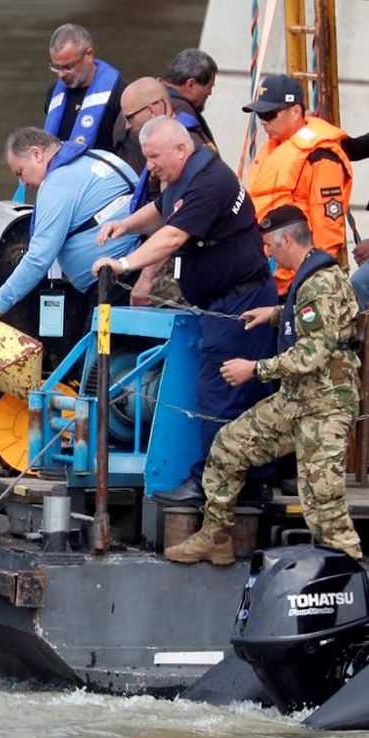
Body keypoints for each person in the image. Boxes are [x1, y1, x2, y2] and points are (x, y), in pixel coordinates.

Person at [93, 116, 278, 503]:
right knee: (236, 392)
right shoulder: (185, 173)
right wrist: (125, 225)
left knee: (220, 394)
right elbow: (162, 211)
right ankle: (250, 480)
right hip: (222, 300)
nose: (149, 167)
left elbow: (173, 235)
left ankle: (212, 483)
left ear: (180, 149)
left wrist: (124, 264)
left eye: (154, 157)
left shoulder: (210, 182)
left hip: (239, 301)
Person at [165, 205, 362, 564]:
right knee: (229, 445)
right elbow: (313, 319)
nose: (267, 252)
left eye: (270, 245)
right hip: (296, 401)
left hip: (325, 407)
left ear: (286, 240)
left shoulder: (320, 282)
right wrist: (274, 314)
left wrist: (253, 369)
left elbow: (312, 355)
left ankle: (350, 571)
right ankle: (215, 536)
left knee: (324, 507)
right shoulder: (311, 277)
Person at [0, 127, 138, 335]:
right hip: (134, 269)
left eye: (20, 172)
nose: (23, 183)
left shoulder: (57, 183)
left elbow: (38, 258)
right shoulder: (100, 157)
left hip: (115, 284)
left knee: (100, 355)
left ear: (37, 154)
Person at [243, 74, 353, 295]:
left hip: (299, 283)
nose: (263, 122)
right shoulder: (273, 148)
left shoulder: (320, 156)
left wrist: (307, 283)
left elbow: (327, 232)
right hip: (267, 274)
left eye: (269, 114)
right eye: (260, 115)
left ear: (295, 111)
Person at [116, 77, 209, 305]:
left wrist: (147, 277)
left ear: (153, 109)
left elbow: (173, 223)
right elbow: (162, 205)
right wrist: (124, 226)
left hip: (176, 264)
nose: (127, 126)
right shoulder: (178, 143)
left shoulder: (177, 154)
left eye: (130, 117)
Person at [44, 23, 125, 154]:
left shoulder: (119, 94)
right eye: (56, 67)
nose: (61, 75)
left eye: (68, 67)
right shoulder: (53, 93)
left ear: (89, 55)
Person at [162, 49, 219, 150]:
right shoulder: (181, 111)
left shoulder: (150, 99)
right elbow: (198, 155)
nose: (209, 93)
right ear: (191, 84)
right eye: (209, 86)